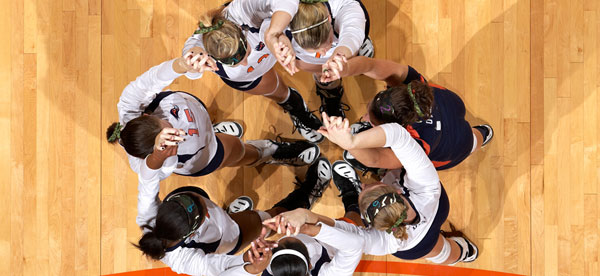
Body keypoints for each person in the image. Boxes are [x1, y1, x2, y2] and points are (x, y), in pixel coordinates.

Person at [106, 57, 320, 180]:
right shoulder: (149, 162)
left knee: (207, 126)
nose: (176, 132)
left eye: (168, 126)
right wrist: (160, 157)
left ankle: (212, 129)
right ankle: (268, 152)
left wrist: (182, 64)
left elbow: (154, 77)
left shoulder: (129, 105)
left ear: (146, 115)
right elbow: (148, 176)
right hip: (203, 152)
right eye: (172, 138)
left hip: (198, 118)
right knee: (239, 150)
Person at [134, 149, 333, 275]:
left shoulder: (148, 215)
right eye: (204, 211)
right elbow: (221, 268)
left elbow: (147, 182)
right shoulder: (184, 261)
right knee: (274, 217)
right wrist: (250, 261)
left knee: (231, 215)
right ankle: (309, 193)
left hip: (221, 220)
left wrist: (156, 156)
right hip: (229, 235)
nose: (200, 202)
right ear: (193, 233)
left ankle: (227, 211)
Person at [318, 114, 479, 265]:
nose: (362, 184)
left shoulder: (384, 242)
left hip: (416, 246)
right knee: (399, 161)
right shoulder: (426, 186)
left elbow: (347, 235)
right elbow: (398, 135)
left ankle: (466, 252)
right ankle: (479, 137)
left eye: (362, 189)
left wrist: (307, 222)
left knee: (438, 251)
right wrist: (351, 142)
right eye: (368, 185)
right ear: (398, 192)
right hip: (438, 207)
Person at [181, 0, 324, 143]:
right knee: (279, 92)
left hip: (272, 46)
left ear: (241, 30)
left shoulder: (244, 12)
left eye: (246, 54)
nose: (245, 62)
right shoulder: (202, 46)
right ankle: (296, 107)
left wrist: (275, 36)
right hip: (249, 76)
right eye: (235, 63)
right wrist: (191, 61)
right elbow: (190, 61)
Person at [321, 56, 494, 171]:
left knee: (470, 142)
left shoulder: (417, 143)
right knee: (474, 136)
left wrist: (349, 143)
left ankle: (483, 135)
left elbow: (377, 159)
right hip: (452, 106)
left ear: (398, 128)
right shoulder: (410, 88)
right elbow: (370, 65)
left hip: (454, 147)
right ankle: (484, 133)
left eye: (372, 122)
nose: (364, 118)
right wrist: (345, 68)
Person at [267, 0, 374, 120]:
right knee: (323, 75)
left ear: (328, 19)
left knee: (355, 43)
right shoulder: (277, 14)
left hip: (347, 31)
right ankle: (329, 90)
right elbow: (267, 32)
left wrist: (340, 57)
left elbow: (352, 35)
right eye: (314, 50)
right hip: (301, 51)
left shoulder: (346, 6)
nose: (322, 54)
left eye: (327, 42)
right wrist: (279, 40)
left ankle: (360, 47)